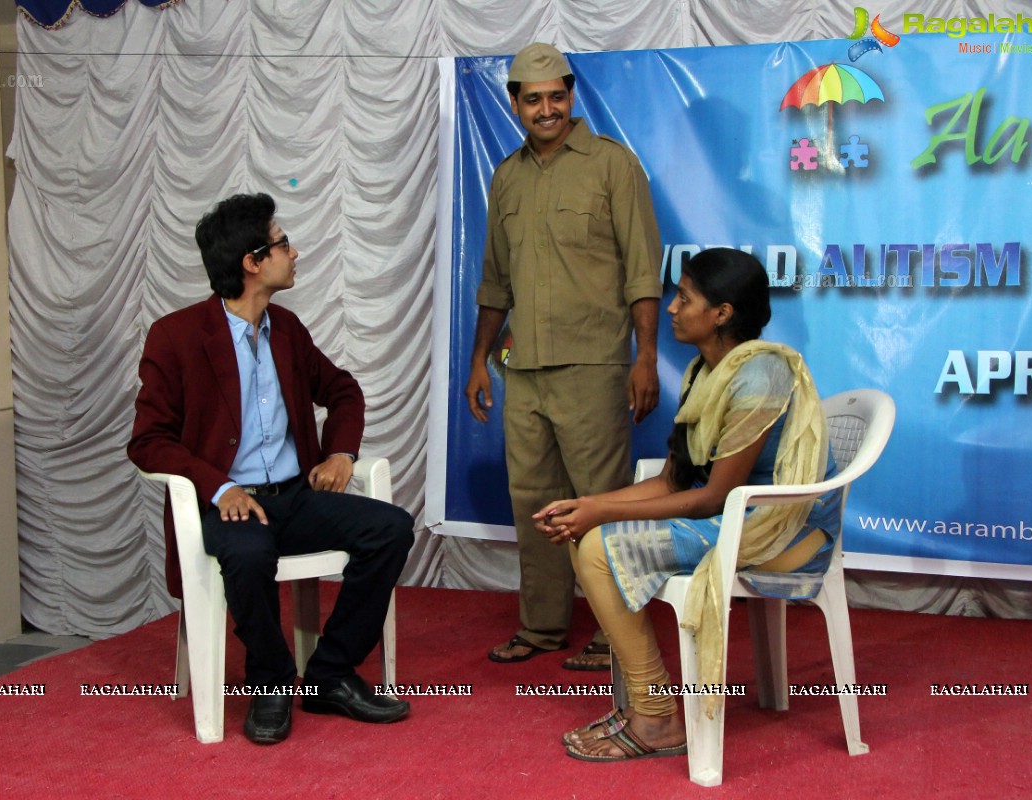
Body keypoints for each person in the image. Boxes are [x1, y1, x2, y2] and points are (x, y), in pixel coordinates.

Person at [534, 248, 842, 761]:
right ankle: (647, 702)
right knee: (582, 535)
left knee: (597, 548)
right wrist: (585, 505)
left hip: (783, 528)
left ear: (722, 313)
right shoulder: (708, 370)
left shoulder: (758, 376)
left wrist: (602, 515)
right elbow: (678, 480)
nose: (671, 308)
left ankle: (656, 717)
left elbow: (713, 498)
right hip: (734, 510)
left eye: (684, 298)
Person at [128, 193, 414, 745]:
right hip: (228, 504)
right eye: (283, 243)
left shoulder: (286, 328)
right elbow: (148, 441)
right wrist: (220, 485)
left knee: (391, 528)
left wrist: (341, 453)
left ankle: (328, 675)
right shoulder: (177, 337)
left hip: (292, 494)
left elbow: (342, 390)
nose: (295, 251)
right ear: (252, 262)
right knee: (250, 553)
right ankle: (272, 681)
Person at [465, 42, 663, 671]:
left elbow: (642, 271)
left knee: (601, 501)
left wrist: (646, 357)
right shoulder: (507, 175)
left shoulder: (612, 165)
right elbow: (496, 282)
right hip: (522, 370)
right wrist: (477, 362)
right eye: (533, 99)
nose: (547, 109)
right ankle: (543, 627)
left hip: (595, 364)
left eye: (557, 95)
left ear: (571, 96)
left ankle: (614, 632)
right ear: (516, 103)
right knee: (533, 504)